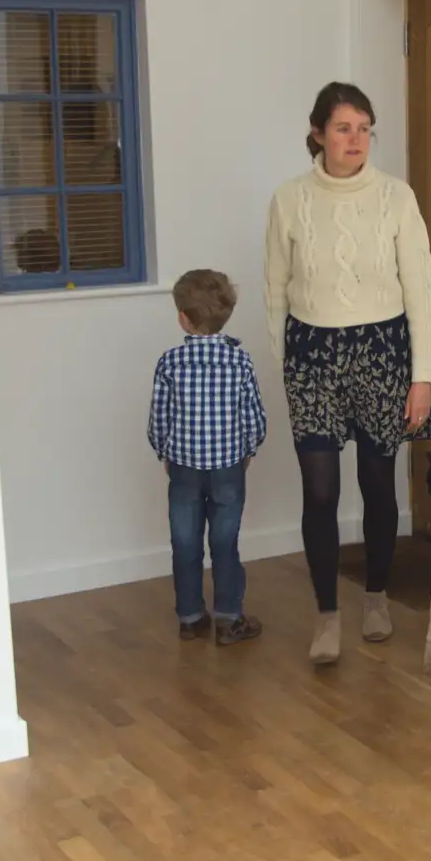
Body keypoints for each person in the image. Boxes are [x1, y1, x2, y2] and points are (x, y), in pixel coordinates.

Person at [264, 81, 431, 666]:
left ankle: (375, 597)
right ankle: (325, 614)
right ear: (318, 133)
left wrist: (424, 376)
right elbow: (274, 291)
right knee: (319, 490)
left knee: (377, 480)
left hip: (382, 348)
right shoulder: (289, 199)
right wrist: (286, 365)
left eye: (365, 128)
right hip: (312, 352)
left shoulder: (397, 197)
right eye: (344, 128)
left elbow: (421, 290)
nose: (356, 140)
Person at [147, 269, 268, 646]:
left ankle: (190, 617)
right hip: (229, 467)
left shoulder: (170, 363)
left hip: (183, 468)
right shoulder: (240, 361)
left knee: (184, 542)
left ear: (182, 316)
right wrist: (249, 449)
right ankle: (229, 619)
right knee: (224, 542)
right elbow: (255, 417)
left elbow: (158, 419)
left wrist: (164, 452)